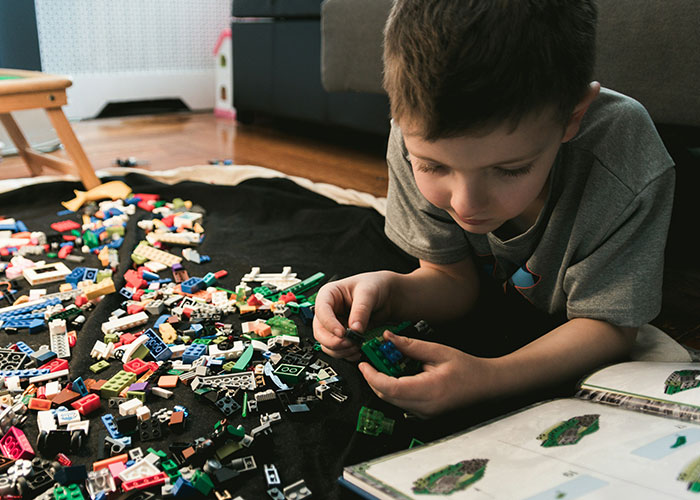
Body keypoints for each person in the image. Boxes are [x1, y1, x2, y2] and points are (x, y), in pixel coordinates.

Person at [313, 0, 675, 419]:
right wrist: (390, 293)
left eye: (509, 169)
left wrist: (489, 377)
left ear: (573, 116)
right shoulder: (412, 129)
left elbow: (610, 326)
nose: (465, 205)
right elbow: (451, 279)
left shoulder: (626, 160)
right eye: (433, 166)